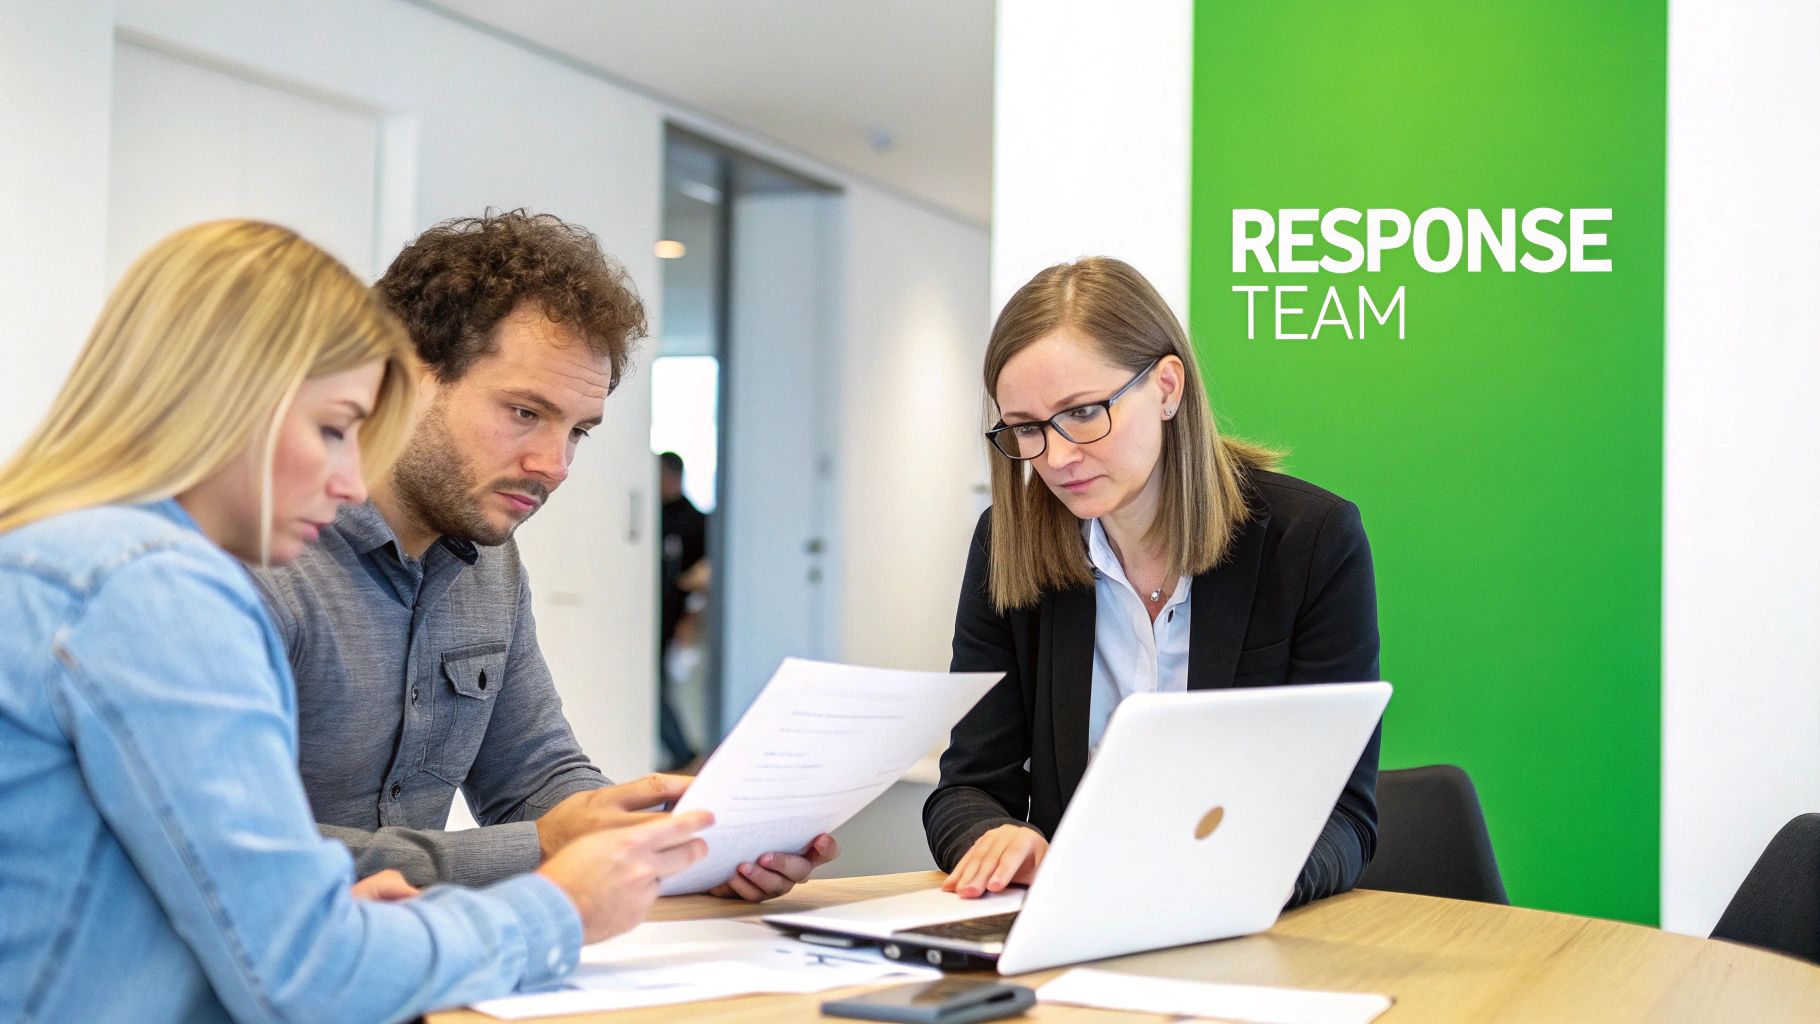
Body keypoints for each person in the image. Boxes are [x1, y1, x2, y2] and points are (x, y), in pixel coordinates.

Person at [0, 220, 711, 1023]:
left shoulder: (78, 557)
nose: (349, 481)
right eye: (339, 428)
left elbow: (224, 907)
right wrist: (558, 910)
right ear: (231, 402)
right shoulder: (158, 589)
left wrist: (680, 841)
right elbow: (308, 973)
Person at [253, 210, 835, 900]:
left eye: (578, 432)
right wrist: (545, 845)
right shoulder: (262, 559)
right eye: (525, 413)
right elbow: (248, 853)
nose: (554, 465)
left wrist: (685, 843)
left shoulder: (489, 566)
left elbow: (535, 778)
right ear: (403, 377)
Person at [923, 257, 1380, 907]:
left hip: (1240, 925)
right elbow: (967, 786)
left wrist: (1234, 884)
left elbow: (1344, 817)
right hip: (1073, 925)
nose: (1057, 457)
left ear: (1167, 387)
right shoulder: (1008, 543)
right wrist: (994, 834)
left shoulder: (1308, 540)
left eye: (1083, 413)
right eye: (1026, 428)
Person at [657, 450, 707, 769]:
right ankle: (681, 752)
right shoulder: (656, 514)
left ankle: (683, 753)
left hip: (674, 616)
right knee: (655, 683)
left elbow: (701, 576)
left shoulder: (695, 521)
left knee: (657, 684)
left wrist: (689, 619)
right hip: (653, 614)